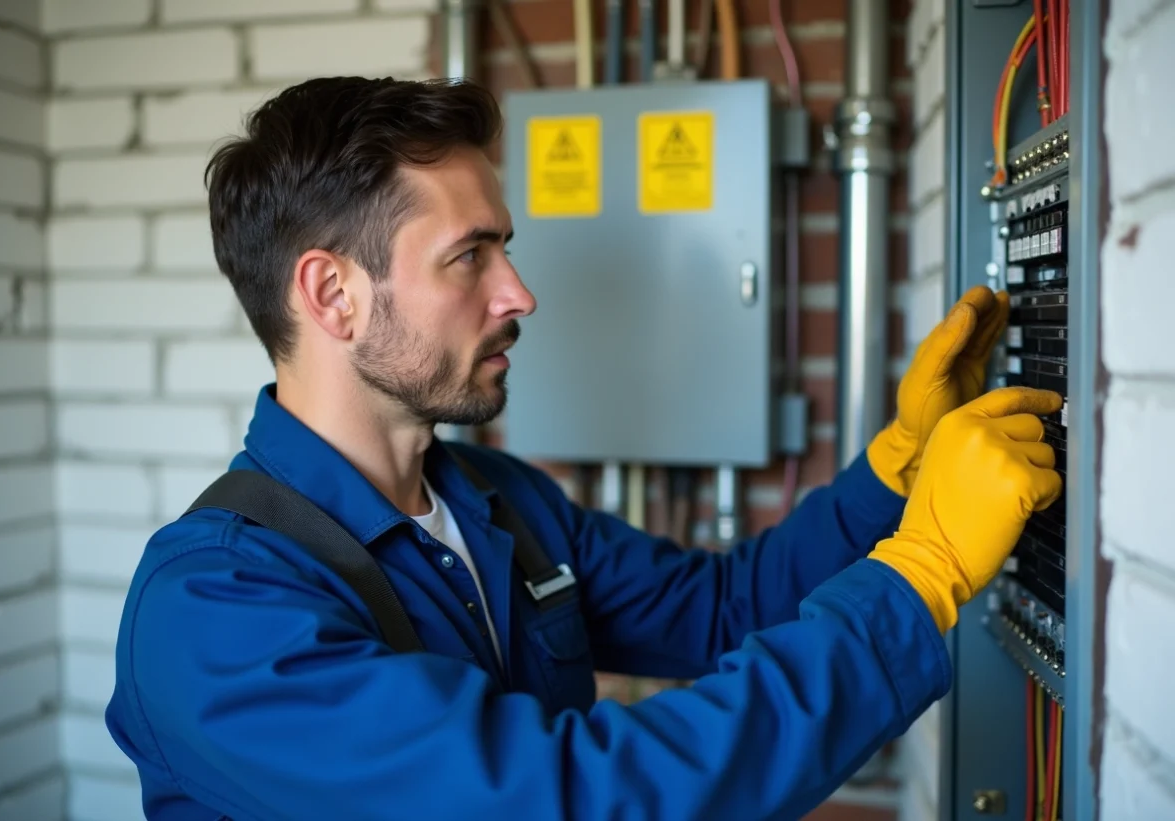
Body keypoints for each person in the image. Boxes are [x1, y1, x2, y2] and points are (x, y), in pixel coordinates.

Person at [105, 76, 1063, 821]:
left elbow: (724, 609)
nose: (518, 293)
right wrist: (921, 574)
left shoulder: (494, 501)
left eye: (505, 249)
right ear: (332, 295)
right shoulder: (217, 611)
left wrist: (897, 467)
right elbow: (570, 799)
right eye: (469, 255)